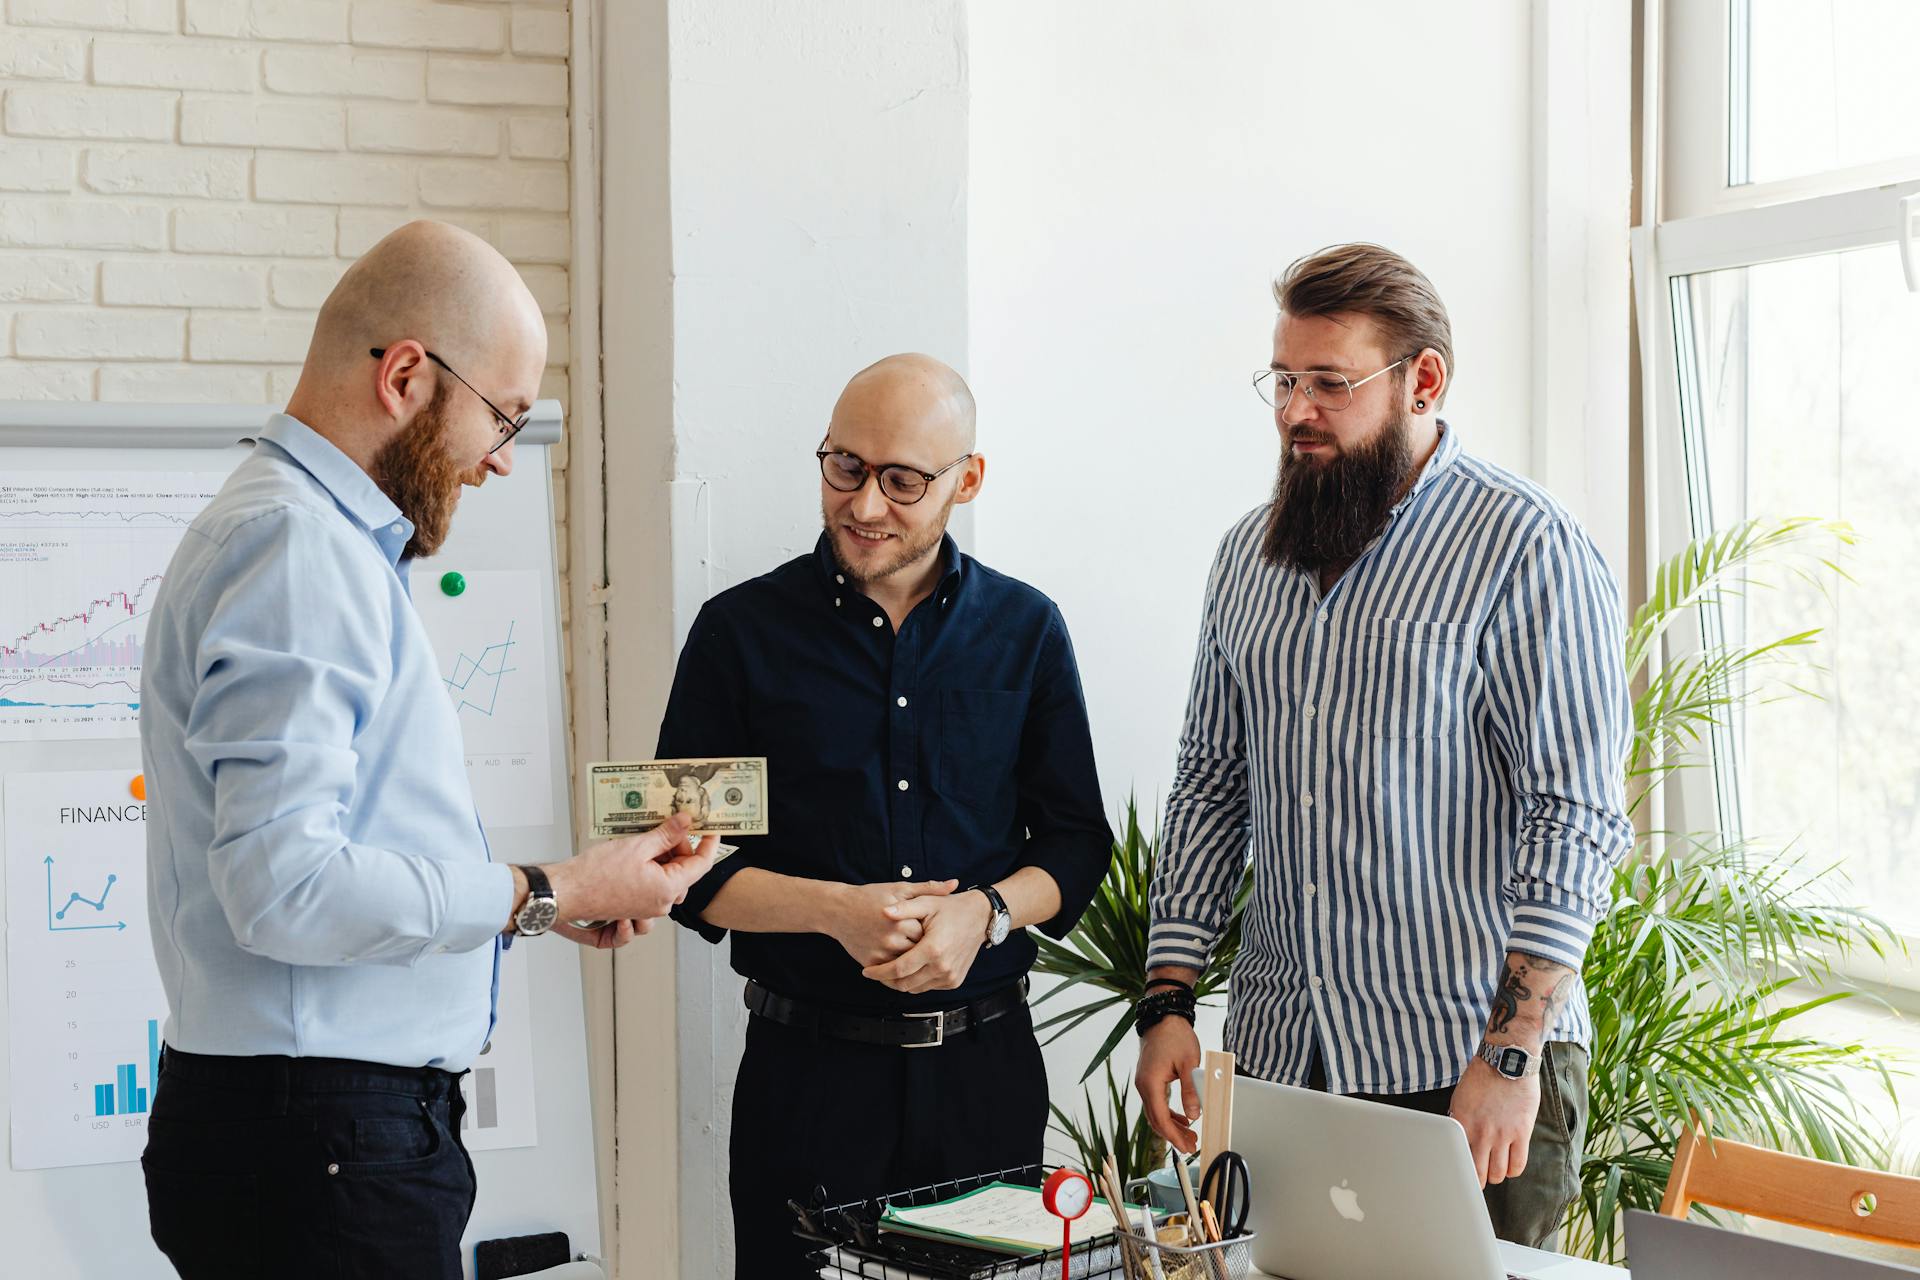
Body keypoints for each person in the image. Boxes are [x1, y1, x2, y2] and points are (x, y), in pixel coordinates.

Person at [138, 220, 719, 1279]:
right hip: (322, 1144)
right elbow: (284, 887)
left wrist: (550, 901)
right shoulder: (297, 550)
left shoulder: (306, 539)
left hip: (312, 1137)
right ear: (406, 374)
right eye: (501, 416)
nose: (502, 459)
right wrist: (550, 881)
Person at [1134, 243, 1633, 1248]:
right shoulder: (1248, 553)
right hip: (1286, 1061)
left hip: (1465, 1069)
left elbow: (1571, 814)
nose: (1295, 411)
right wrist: (1168, 1001)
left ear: (1425, 380)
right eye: (1284, 380)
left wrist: (1513, 1053)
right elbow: (1208, 784)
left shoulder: (1526, 546)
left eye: (1330, 383)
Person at [659, 354, 1114, 1278]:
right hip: (806, 1078)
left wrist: (982, 914)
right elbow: (682, 869)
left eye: (903, 480)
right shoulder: (738, 635)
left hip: (985, 1075)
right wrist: (836, 910)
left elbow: (1074, 844)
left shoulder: (1027, 631)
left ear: (967, 481)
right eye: (845, 468)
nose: (865, 504)